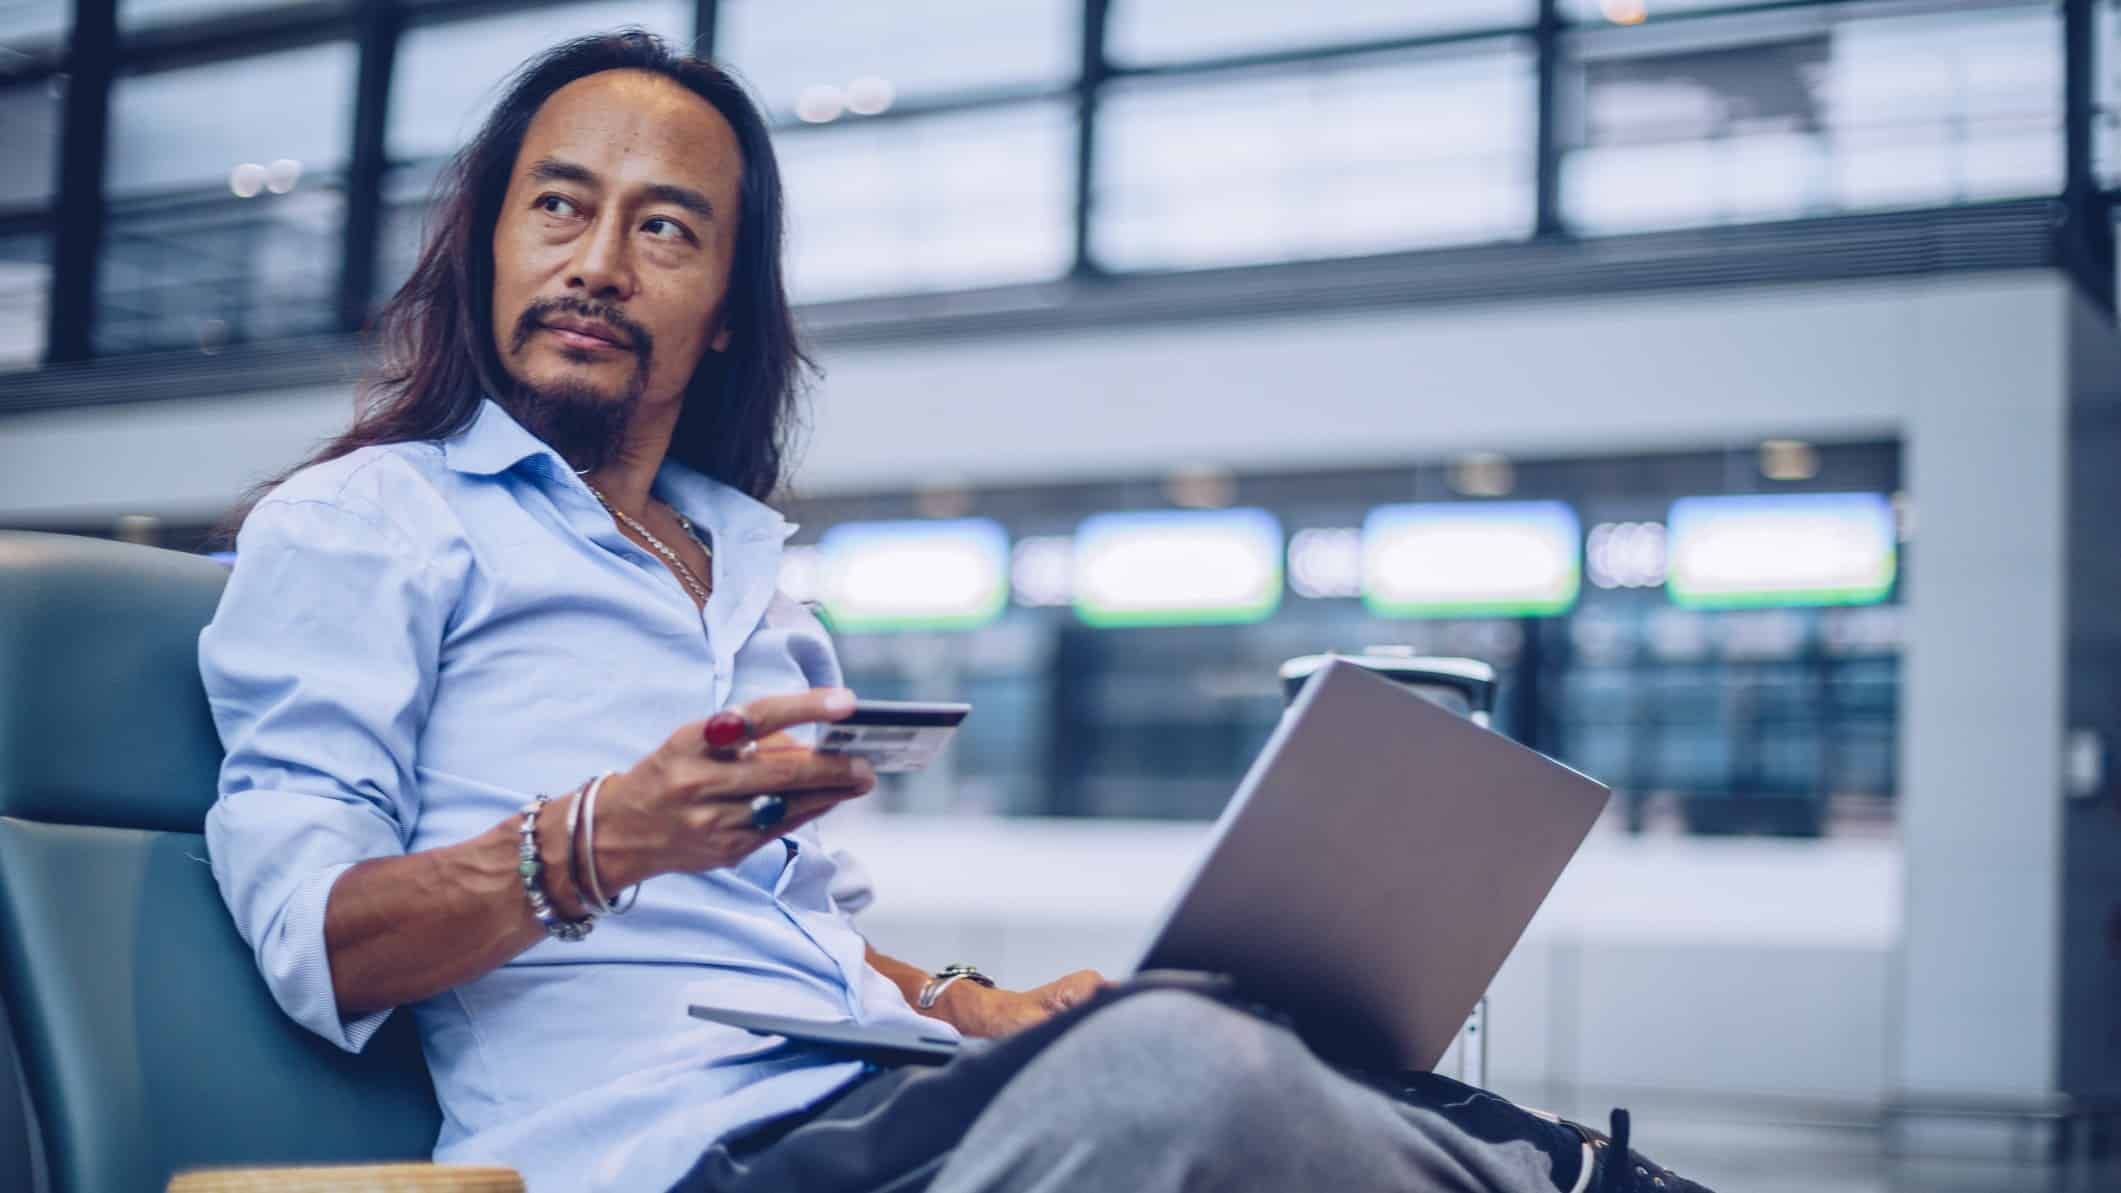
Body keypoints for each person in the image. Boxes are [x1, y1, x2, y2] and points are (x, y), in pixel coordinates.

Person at [200, 30, 1710, 1193]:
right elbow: (315, 938)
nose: (598, 262)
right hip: (670, 1149)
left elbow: (784, 940)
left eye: (663, 229)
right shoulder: (366, 522)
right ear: (488, 247)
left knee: (1276, 1042)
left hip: (870, 1095)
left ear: (722, 305)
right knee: (1178, 1077)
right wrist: (604, 834)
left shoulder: (742, 571)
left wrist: (980, 1002)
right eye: (559, 208)